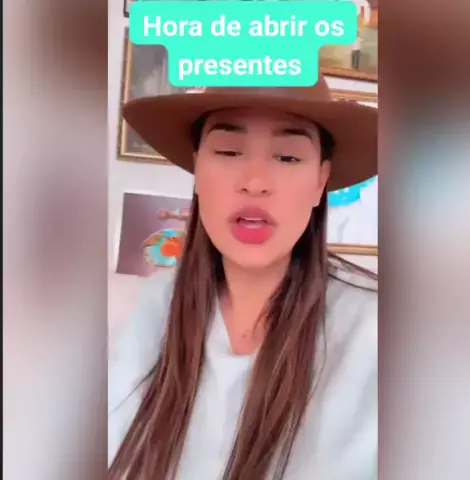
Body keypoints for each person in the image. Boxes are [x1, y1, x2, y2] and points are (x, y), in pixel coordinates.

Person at [108, 75, 378, 479]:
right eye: (229, 151)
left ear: (321, 181)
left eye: (288, 157)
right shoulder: (156, 304)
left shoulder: (377, 333)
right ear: (197, 169)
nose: (254, 182)